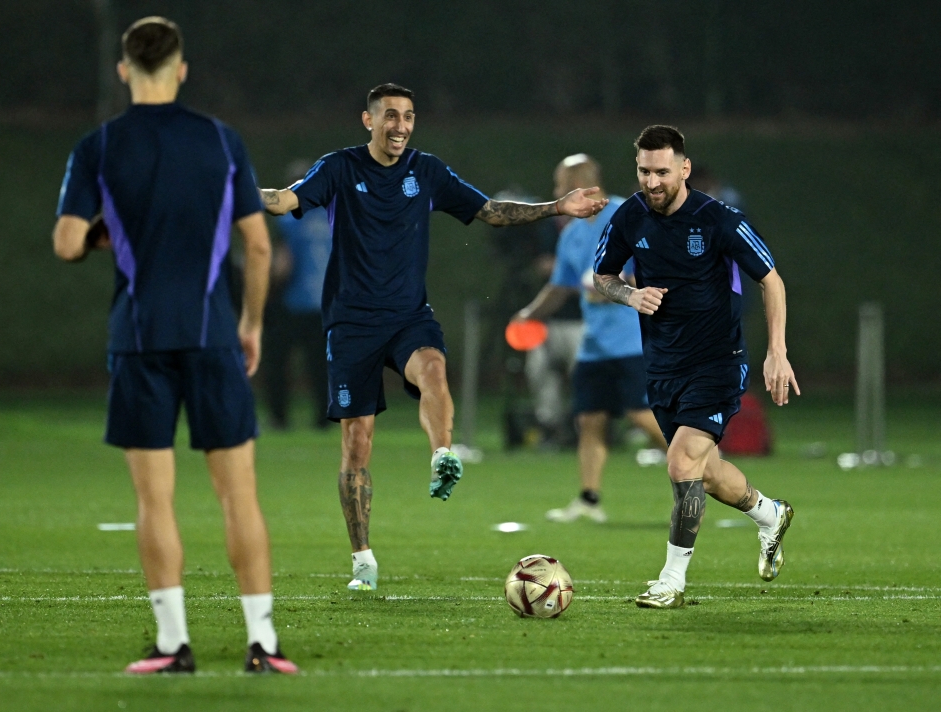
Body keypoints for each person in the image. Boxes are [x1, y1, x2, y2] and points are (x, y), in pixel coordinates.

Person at [260, 83, 607, 591]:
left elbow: (490, 211)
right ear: (368, 120)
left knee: (434, 367)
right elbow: (287, 199)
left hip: (407, 314)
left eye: (408, 116)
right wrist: (239, 195)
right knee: (356, 443)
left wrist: (557, 206)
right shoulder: (340, 168)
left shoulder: (426, 171)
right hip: (351, 323)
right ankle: (363, 560)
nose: (400, 125)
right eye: (390, 116)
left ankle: (443, 454)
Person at [52, 17, 297, 674]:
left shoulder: (99, 146)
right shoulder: (220, 140)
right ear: (181, 69)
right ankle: (263, 644)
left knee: (154, 499)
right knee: (238, 495)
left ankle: (172, 645)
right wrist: (251, 325)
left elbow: (67, 243)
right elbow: (258, 245)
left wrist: (101, 231)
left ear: (124, 71)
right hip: (212, 335)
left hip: (138, 340)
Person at [593, 125, 800, 609]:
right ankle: (770, 514)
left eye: (662, 171)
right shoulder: (628, 216)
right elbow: (602, 276)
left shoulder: (718, 219)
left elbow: (771, 280)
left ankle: (672, 581)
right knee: (705, 473)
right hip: (663, 366)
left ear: (684, 169)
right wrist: (630, 295)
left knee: (681, 461)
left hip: (717, 363)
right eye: (644, 171)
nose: (652, 181)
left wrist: (777, 350)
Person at [513, 154, 669, 523]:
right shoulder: (571, 233)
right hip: (594, 344)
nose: (556, 191)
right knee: (589, 419)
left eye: (560, 184)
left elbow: (657, 266)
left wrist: (618, 287)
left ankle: (702, 467)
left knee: (642, 415)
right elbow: (561, 286)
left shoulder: (628, 214)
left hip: (633, 338)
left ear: (579, 184)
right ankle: (589, 499)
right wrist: (529, 314)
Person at [263, 159, 333, 430]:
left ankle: (279, 417)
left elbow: (283, 264)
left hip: (291, 302)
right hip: (324, 303)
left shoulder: (289, 220)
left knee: (278, 362)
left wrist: (267, 289)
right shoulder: (331, 218)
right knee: (320, 366)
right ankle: (324, 419)